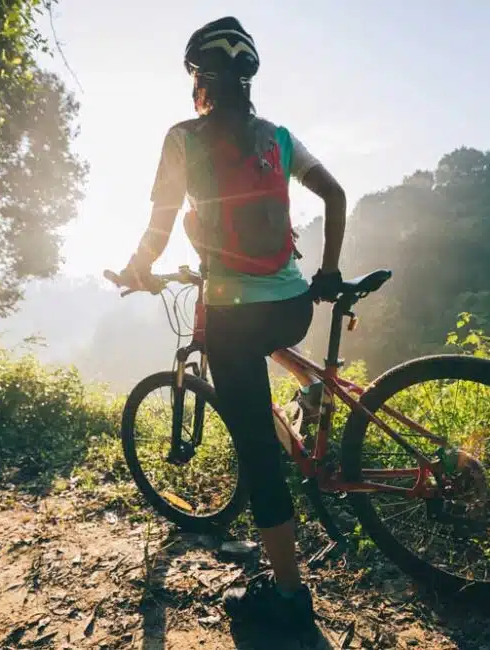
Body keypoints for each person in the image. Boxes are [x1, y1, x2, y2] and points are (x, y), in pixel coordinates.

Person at [120, 16, 346, 641]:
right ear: (248, 78)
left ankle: (289, 596)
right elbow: (336, 194)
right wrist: (325, 271)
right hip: (293, 303)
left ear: (200, 80)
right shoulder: (277, 135)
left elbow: (162, 223)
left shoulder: (182, 138)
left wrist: (139, 269)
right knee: (269, 359)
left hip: (230, 315)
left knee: (258, 455)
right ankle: (302, 408)